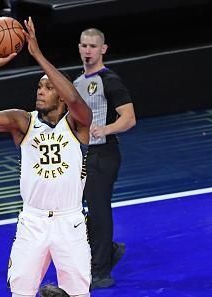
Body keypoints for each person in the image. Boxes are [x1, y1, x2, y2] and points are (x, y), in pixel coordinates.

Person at [0, 17, 93, 297]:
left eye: (47, 88)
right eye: (38, 87)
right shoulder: (23, 122)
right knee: (20, 293)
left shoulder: (78, 123)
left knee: (78, 295)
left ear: (60, 94)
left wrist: (37, 55)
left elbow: (74, 98)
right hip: (32, 221)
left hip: (68, 220)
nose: (40, 91)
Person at [73, 28, 136, 289]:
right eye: (84, 46)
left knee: (98, 211)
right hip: (84, 154)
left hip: (104, 152)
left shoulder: (110, 80)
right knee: (85, 210)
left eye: (93, 46)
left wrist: (106, 129)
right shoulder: (77, 83)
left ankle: (100, 272)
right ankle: (107, 249)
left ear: (103, 49)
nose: (88, 51)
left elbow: (129, 119)